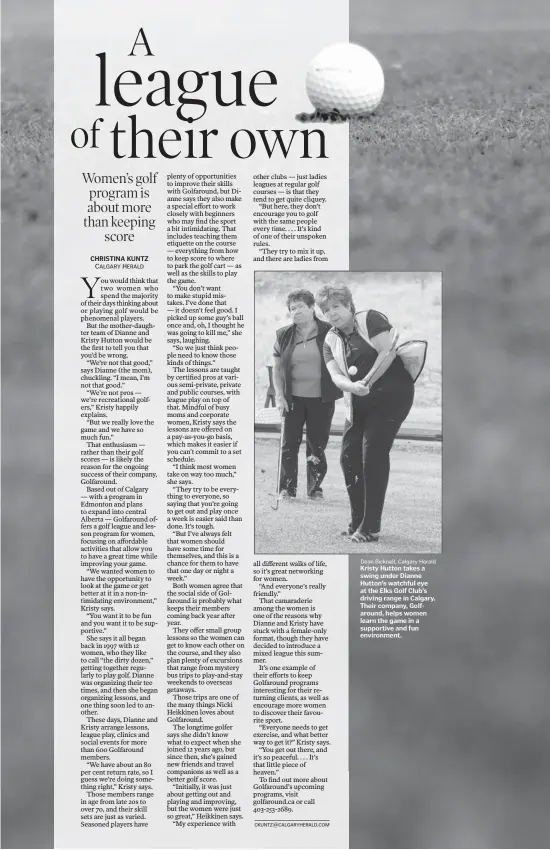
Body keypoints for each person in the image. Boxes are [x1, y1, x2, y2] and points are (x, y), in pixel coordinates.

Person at [315, 283, 427, 543]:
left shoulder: (369, 319)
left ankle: (371, 526)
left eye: (337, 307)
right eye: (326, 309)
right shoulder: (330, 340)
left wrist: (366, 381)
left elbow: (387, 353)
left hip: (392, 393)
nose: (332, 313)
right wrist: (353, 386)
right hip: (358, 398)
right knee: (347, 457)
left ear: (349, 305)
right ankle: (357, 520)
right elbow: (335, 376)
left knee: (372, 455)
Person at [272, 288, 342, 500]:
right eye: (293, 309)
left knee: (317, 445)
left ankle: (315, 488)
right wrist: (279, 395)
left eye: (301, 306)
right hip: (292, 399)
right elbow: (276, 368)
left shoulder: (330, 331)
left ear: (312, 308)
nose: (297, 312)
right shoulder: (283, 334)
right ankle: (286, 489)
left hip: (322, 399)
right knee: (289, 445)